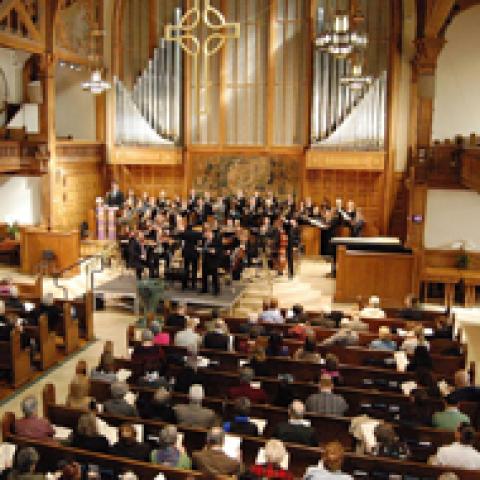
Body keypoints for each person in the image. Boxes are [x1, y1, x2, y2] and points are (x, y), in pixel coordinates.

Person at [180, 224, 203, 291]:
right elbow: (200, 240)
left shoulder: (184, 233)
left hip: (186, 253)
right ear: (192, 228)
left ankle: (184, 285)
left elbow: (181, 240)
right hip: (194, 252)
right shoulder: (196, 233)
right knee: (194, 269)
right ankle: (193, 284)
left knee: (186, 269)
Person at [201, 229, 221, 295]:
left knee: (214, 276)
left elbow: (219, 249)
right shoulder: (205, 240)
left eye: (206, 233)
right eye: (205, 234)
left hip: (213, 260)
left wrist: (214, 251)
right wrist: (200, 249)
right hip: (205, 260)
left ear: (210, 233)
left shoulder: (216, 240)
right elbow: (203, 248)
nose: (205, 235)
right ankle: (204, 289)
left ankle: (216, 290)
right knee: (204, 275)